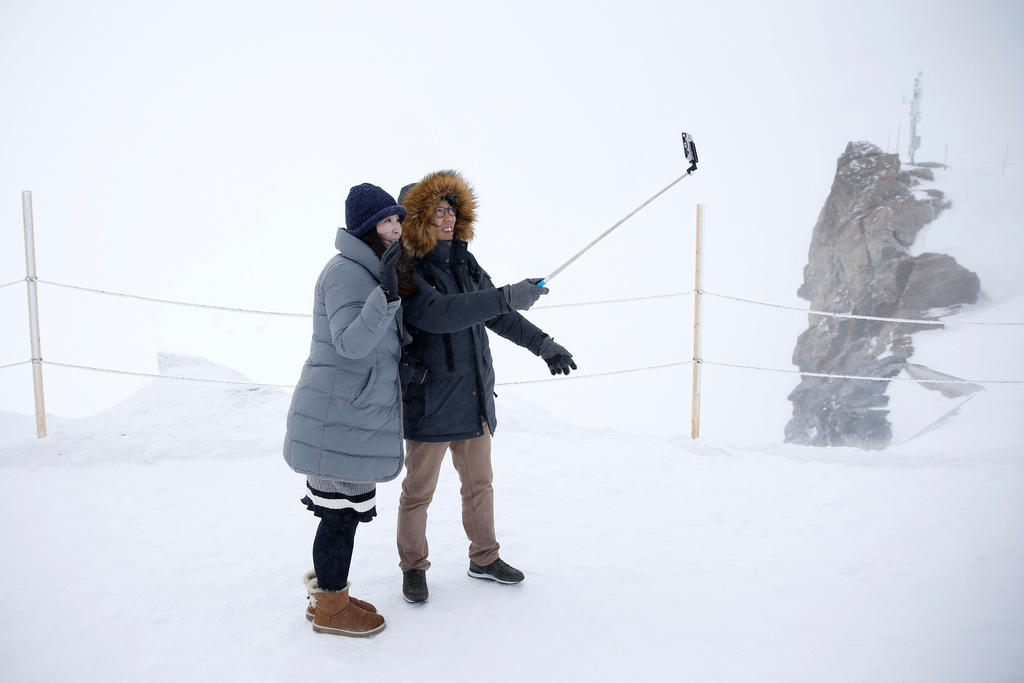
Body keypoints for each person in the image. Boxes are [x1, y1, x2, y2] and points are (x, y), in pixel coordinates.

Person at [395, 170, 577, 603]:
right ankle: (413, 567)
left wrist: (544, 345)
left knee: (480, 485)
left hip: (473, 396)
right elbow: (440, 314)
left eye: (452, 209)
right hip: (430, 401)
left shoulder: (464, 261)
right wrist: (506, 296)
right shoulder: (406, 268)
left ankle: (484, 557)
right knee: (418, 492)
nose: (448, 218)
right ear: (418, 217)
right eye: (438, 210)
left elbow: (495, 313)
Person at [283, 182, 414, 637]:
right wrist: (385, 291)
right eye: (387, 221)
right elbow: (351, 343)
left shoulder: (370, 270)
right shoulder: (346, 273)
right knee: (338, 516)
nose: (397, 228)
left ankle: (329, 596)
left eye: (398, 219)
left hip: (350, 415)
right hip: (338, 416)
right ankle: (332, 609)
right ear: (365, 228)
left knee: (342, 513)